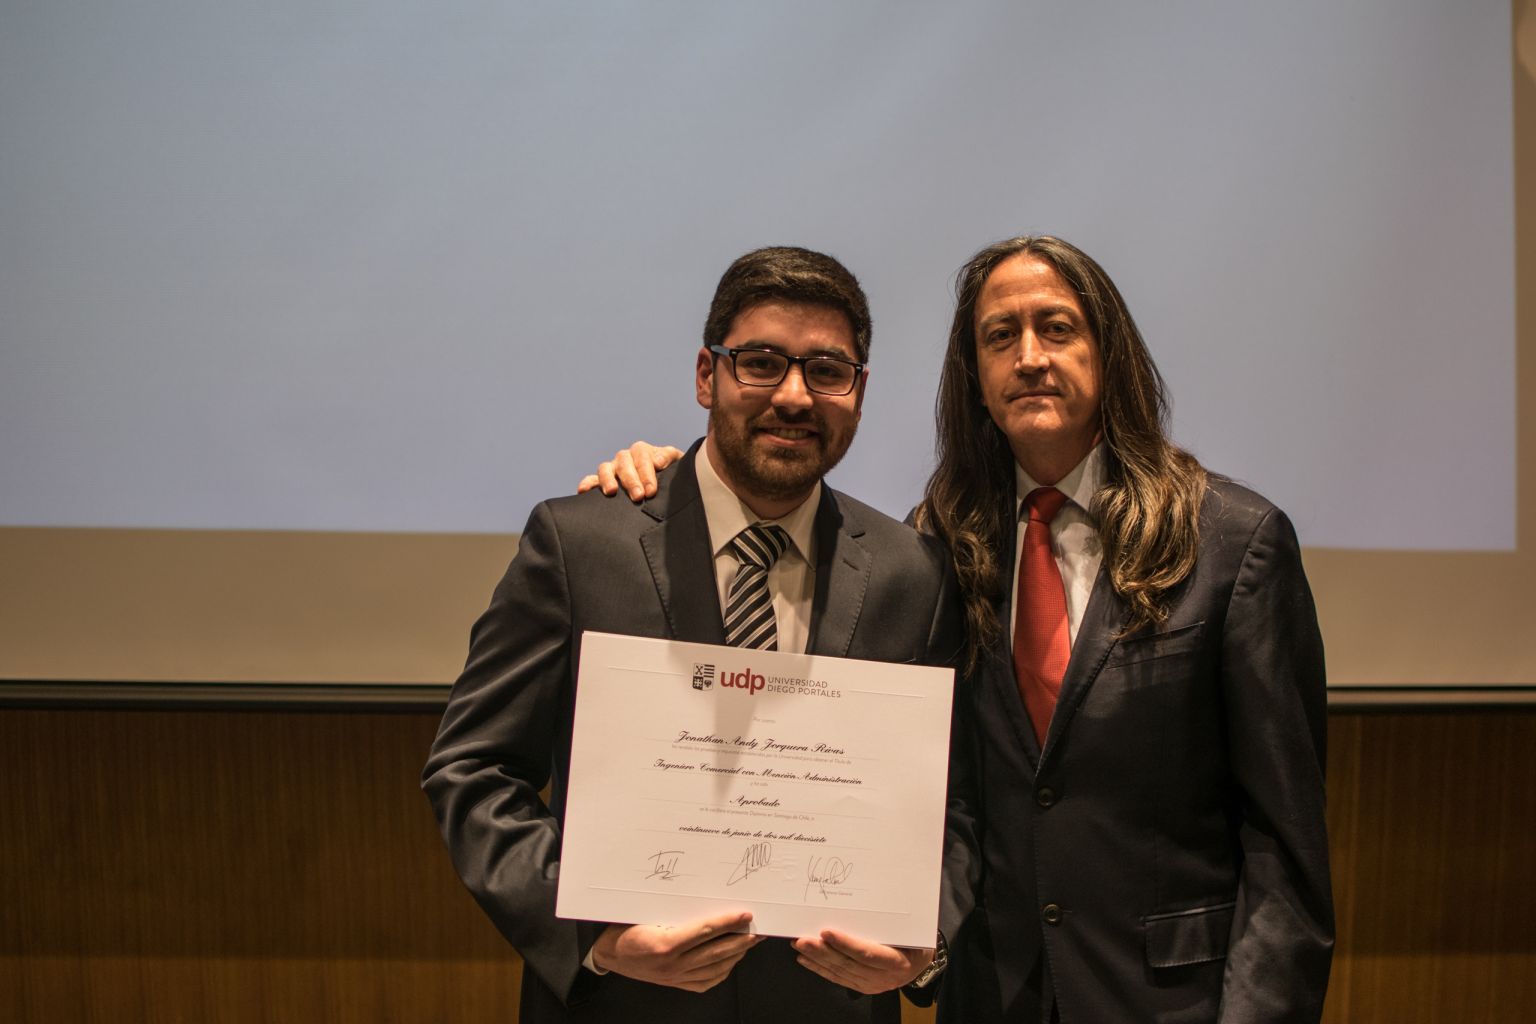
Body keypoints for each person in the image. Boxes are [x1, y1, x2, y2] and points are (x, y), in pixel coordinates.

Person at [583, 234, 1335, 1022]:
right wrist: (675, 485)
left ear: (1109, 352)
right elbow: (934, 788)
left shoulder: (1233, 543)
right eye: (1000, 336)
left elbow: (1285, 844)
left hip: (1172, 1001)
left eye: (1058, 328)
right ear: (974, 374)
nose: (1030, 357)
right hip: (992, 995)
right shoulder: (936, 545)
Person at [423, 245, 975, 1024]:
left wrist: (927, 941)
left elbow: (958, 801)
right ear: (705, 375)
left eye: (826, 370)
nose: (794, 396)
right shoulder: (581, 546)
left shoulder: (913, 574)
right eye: (761, 363)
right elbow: (475, 769)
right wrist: (594, 938)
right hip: (623, 1005)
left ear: (858, 392)